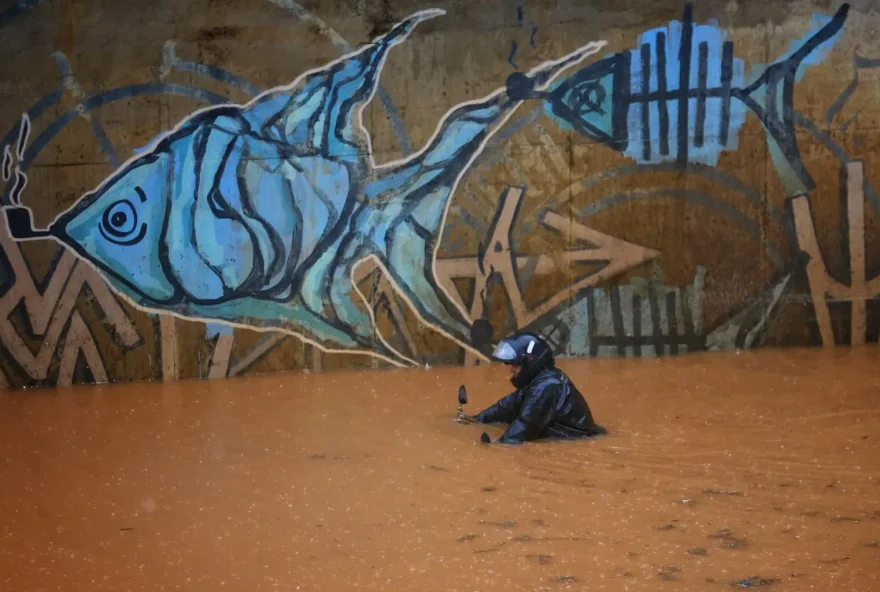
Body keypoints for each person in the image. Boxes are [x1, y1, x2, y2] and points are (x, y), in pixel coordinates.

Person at [457, 331, 606, 444]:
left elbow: (523, 428)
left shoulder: (548, 386)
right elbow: (506, 406)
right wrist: (475, 420)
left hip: (581, 443)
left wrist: (496, 447)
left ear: (530, 362)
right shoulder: (539, 382)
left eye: (515, 364)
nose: (511, 370)